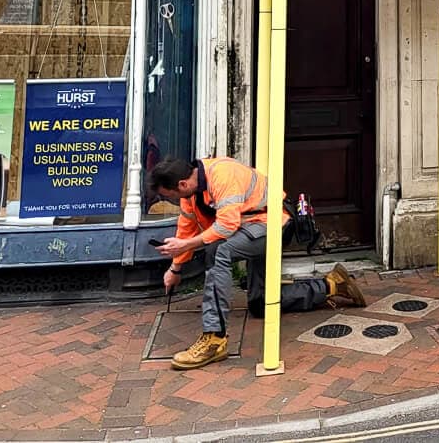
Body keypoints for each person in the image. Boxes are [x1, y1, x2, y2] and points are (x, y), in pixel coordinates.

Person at [149, 157, 365, 370]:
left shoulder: (222, 175)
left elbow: (225, 227)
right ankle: (332, 285)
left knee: (218, 252)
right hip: (250, 228)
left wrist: (186, 245)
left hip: (272, 224)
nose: (172, 202)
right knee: (260, 303)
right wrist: (175, 268)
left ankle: (214, 338)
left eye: (171, 197)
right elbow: (187, 228)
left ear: (182, 185)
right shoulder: (191, 192)